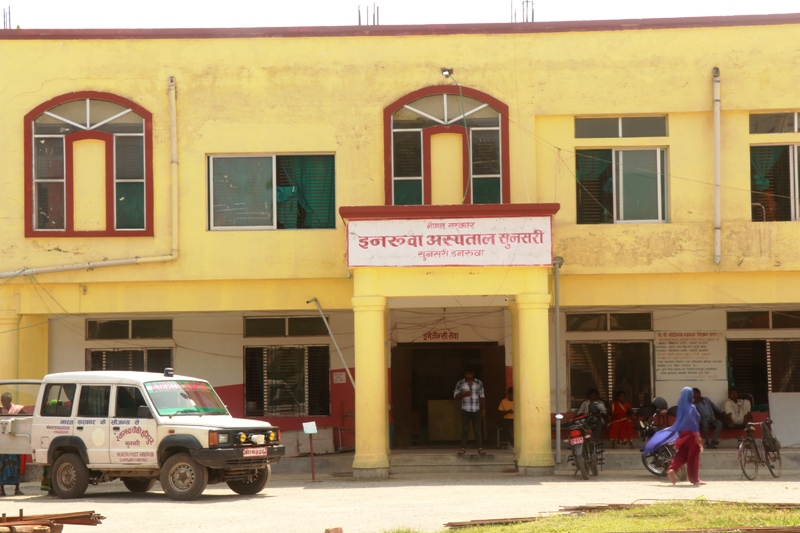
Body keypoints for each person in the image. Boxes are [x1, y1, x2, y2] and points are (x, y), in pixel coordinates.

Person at [643, 386, 705, 486]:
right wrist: (696, 435)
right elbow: (693, 422)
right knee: (693, 457)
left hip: (682, 434)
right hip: (691, 434)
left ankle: (672, 469)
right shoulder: (691, 407)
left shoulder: (681, 407)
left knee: (682, 455)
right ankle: (695, 479)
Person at [453, 369, 486, 456]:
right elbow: (455, 396)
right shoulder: (460, 383)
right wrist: (464, 395)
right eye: (467, 374)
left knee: (477, 429)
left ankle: (480, 448)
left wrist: (483, 409)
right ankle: (463, 448)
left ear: (473, 374)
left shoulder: (479, 383)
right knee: (465, 429)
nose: (468, 376)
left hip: (476, 409)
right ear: (465, 374)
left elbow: (482, 396)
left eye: (470, 374)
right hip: (465, 409)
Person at [0, 393, 25, 496]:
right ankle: (1, 489)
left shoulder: (18, 410)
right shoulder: (0, 411)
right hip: (3, 442)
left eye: (4, 401)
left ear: (10, 401)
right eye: (1, 400)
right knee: (2, 465)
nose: (3, 403)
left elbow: (26, 420)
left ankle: (17, 489)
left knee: (16, 464)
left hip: (15, 442)